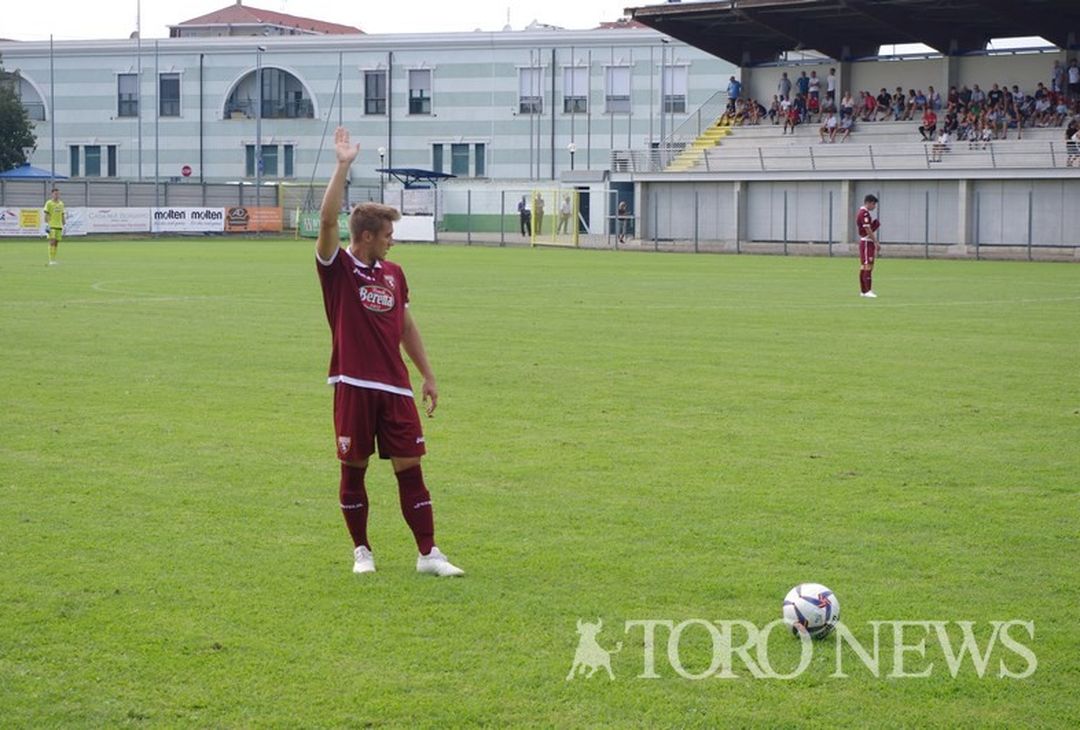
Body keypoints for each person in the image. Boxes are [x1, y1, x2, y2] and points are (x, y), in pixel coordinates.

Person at [315, 127, 464, 578]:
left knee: (411, 467)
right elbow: (325, 224)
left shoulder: (395, 273)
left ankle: (428, 553)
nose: (392, 241)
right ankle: (362, 550)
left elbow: (406, 325)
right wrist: (343, 165)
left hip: (395, 387)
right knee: (353, 467)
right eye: (386, 235)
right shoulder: (338, 268)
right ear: (364, 237)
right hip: (354, 384)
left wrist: (428, 375)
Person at [856, 194, 880, 298]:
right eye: (874, 204)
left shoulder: (863, 213)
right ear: (869, 203)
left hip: (865, 242)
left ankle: (863, 290)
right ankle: (867, 290)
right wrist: (875, 241)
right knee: (867, 265)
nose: (874, 207)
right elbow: (867, 229)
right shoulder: (864, 213)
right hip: (866, 242)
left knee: (864, 266)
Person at [43, 187, 65, 266]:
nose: (57, 195)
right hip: (51, 225)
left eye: (58, 194)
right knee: (52, 242)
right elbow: (46, 214)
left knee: (56, 243)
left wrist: (64, 224)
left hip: (59, 226)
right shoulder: (49, 203)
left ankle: (54, 259)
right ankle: (51, 260)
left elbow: (62, 214)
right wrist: (47, 224)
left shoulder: (61, 204)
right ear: (52, 194)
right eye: (55, 194)